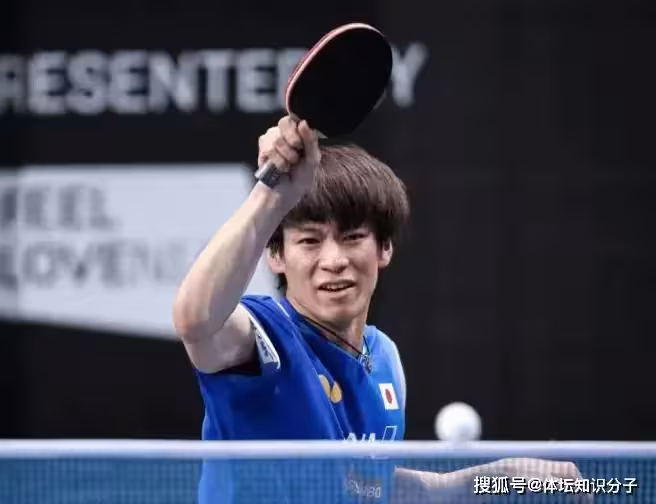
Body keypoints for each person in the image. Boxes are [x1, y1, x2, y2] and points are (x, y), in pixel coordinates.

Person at [172, 117, 585, 503]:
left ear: (384, 248)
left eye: (352, 237)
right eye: (310, 241)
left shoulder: (384, 357)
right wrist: (272, 194)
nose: (334, 260)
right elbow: (196, 320)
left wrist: (501, 477)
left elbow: (372, 487)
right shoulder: (262, 341)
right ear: (276, 256)